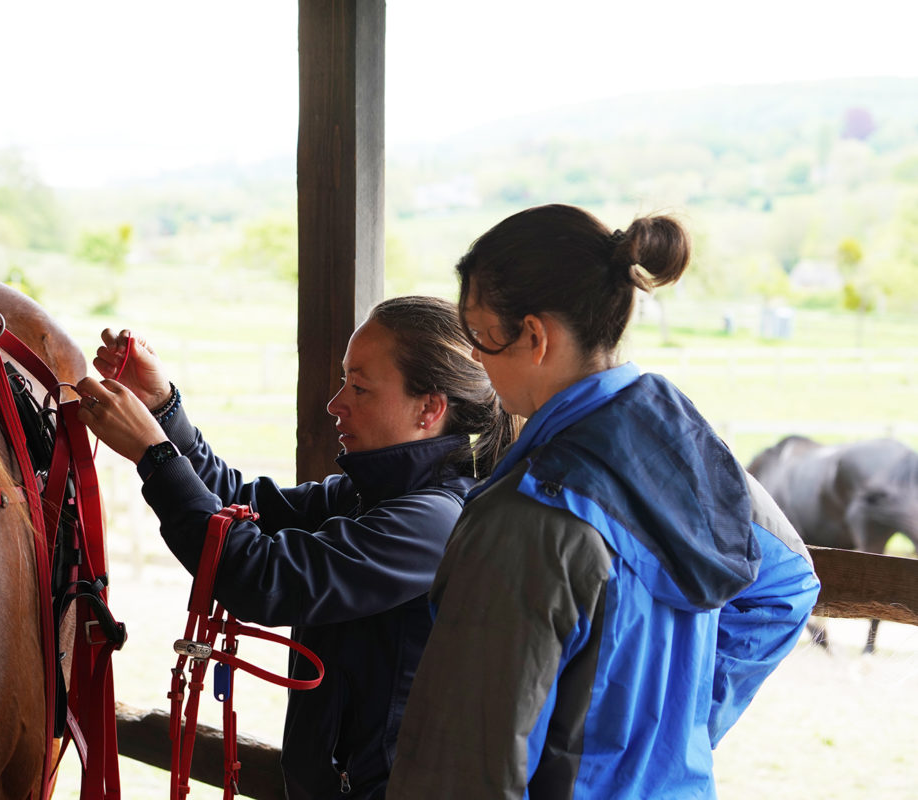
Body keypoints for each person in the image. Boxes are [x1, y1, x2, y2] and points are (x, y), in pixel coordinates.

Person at [386, 205, 821, 799]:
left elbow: (461, 766)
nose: (478, 361)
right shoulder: (689, 448)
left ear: (535, 337)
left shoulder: (527, 516)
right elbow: (787, 586)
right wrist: (679, 731)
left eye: (482, 337)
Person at [75, 295, 518, 799]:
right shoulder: (367, 494)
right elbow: (238, 504)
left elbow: (261, 578)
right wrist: (163, 409)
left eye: (360, 387)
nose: (336, 403)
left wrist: (155, 455)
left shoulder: (433, 522)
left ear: (430, 408)